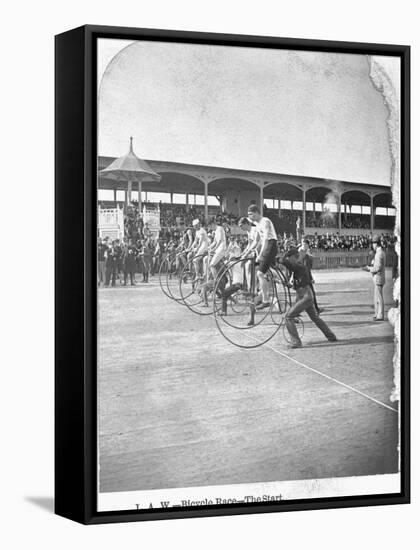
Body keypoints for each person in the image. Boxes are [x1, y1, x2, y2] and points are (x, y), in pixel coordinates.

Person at [281, 248, 337, 348]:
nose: (288, 260)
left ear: (293, 257)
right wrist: (290, 285)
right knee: (315, 318)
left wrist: (282, 257)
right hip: (306, 296)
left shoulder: (298, 266)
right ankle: (331, 336)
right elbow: (299, 284)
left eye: (290, 258)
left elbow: (284, 262)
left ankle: (296, 342)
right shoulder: (299, 267)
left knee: (288, 317)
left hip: (305, 297)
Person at [247, 204, 278, 310]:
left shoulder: (265, 221)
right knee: (258, 270)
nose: (250, 217)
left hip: (271, 245)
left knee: (260, 273)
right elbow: (256, 240)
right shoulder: (257, 223)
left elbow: (265, 240)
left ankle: (266, 300)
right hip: (267, 245)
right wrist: (249, 251)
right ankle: (263, 289)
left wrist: (260, 255)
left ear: (256, 212)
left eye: (251, 214)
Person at [298, 238, 322, 314]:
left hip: (306, 276)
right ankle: (315, 310)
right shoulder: (301, 253)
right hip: (302, 277)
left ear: (308, 246)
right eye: (303, 244)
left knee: (302, 295)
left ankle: (315, 309)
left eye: (306, 245)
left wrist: (311, 278)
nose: (304, 246)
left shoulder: (306, 254)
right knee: (308, 294)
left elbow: (308, 268)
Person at [365, 234, 386, 321]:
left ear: (376, 244)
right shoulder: (381, 253)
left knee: (379, 297)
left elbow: (377, 268)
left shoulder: (379, 254)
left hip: (378, 278)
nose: (372, 245)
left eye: (373, 243)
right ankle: (377, 314)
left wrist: (369, 268)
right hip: (379, 277)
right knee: (377, 297)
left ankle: (380, 315)